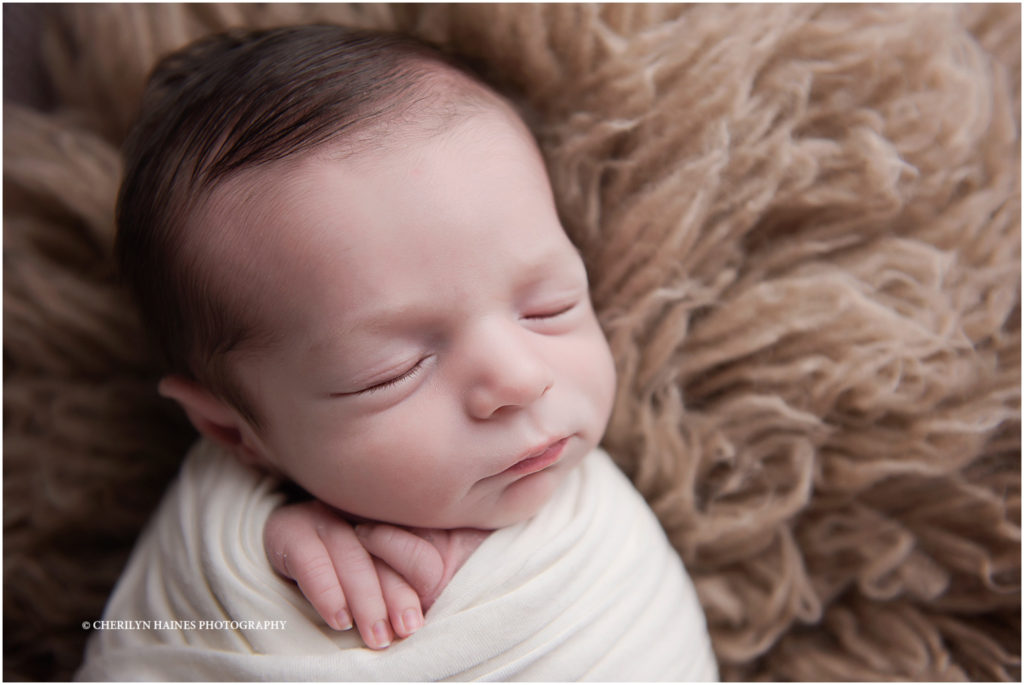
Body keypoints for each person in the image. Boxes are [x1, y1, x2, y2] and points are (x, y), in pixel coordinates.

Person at [78, 24, 717, 680]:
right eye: (395, 371)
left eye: (548, 307)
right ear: (232, 431)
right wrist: (266, 560)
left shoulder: (597, 540)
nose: (522, 378)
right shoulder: (223, 536)